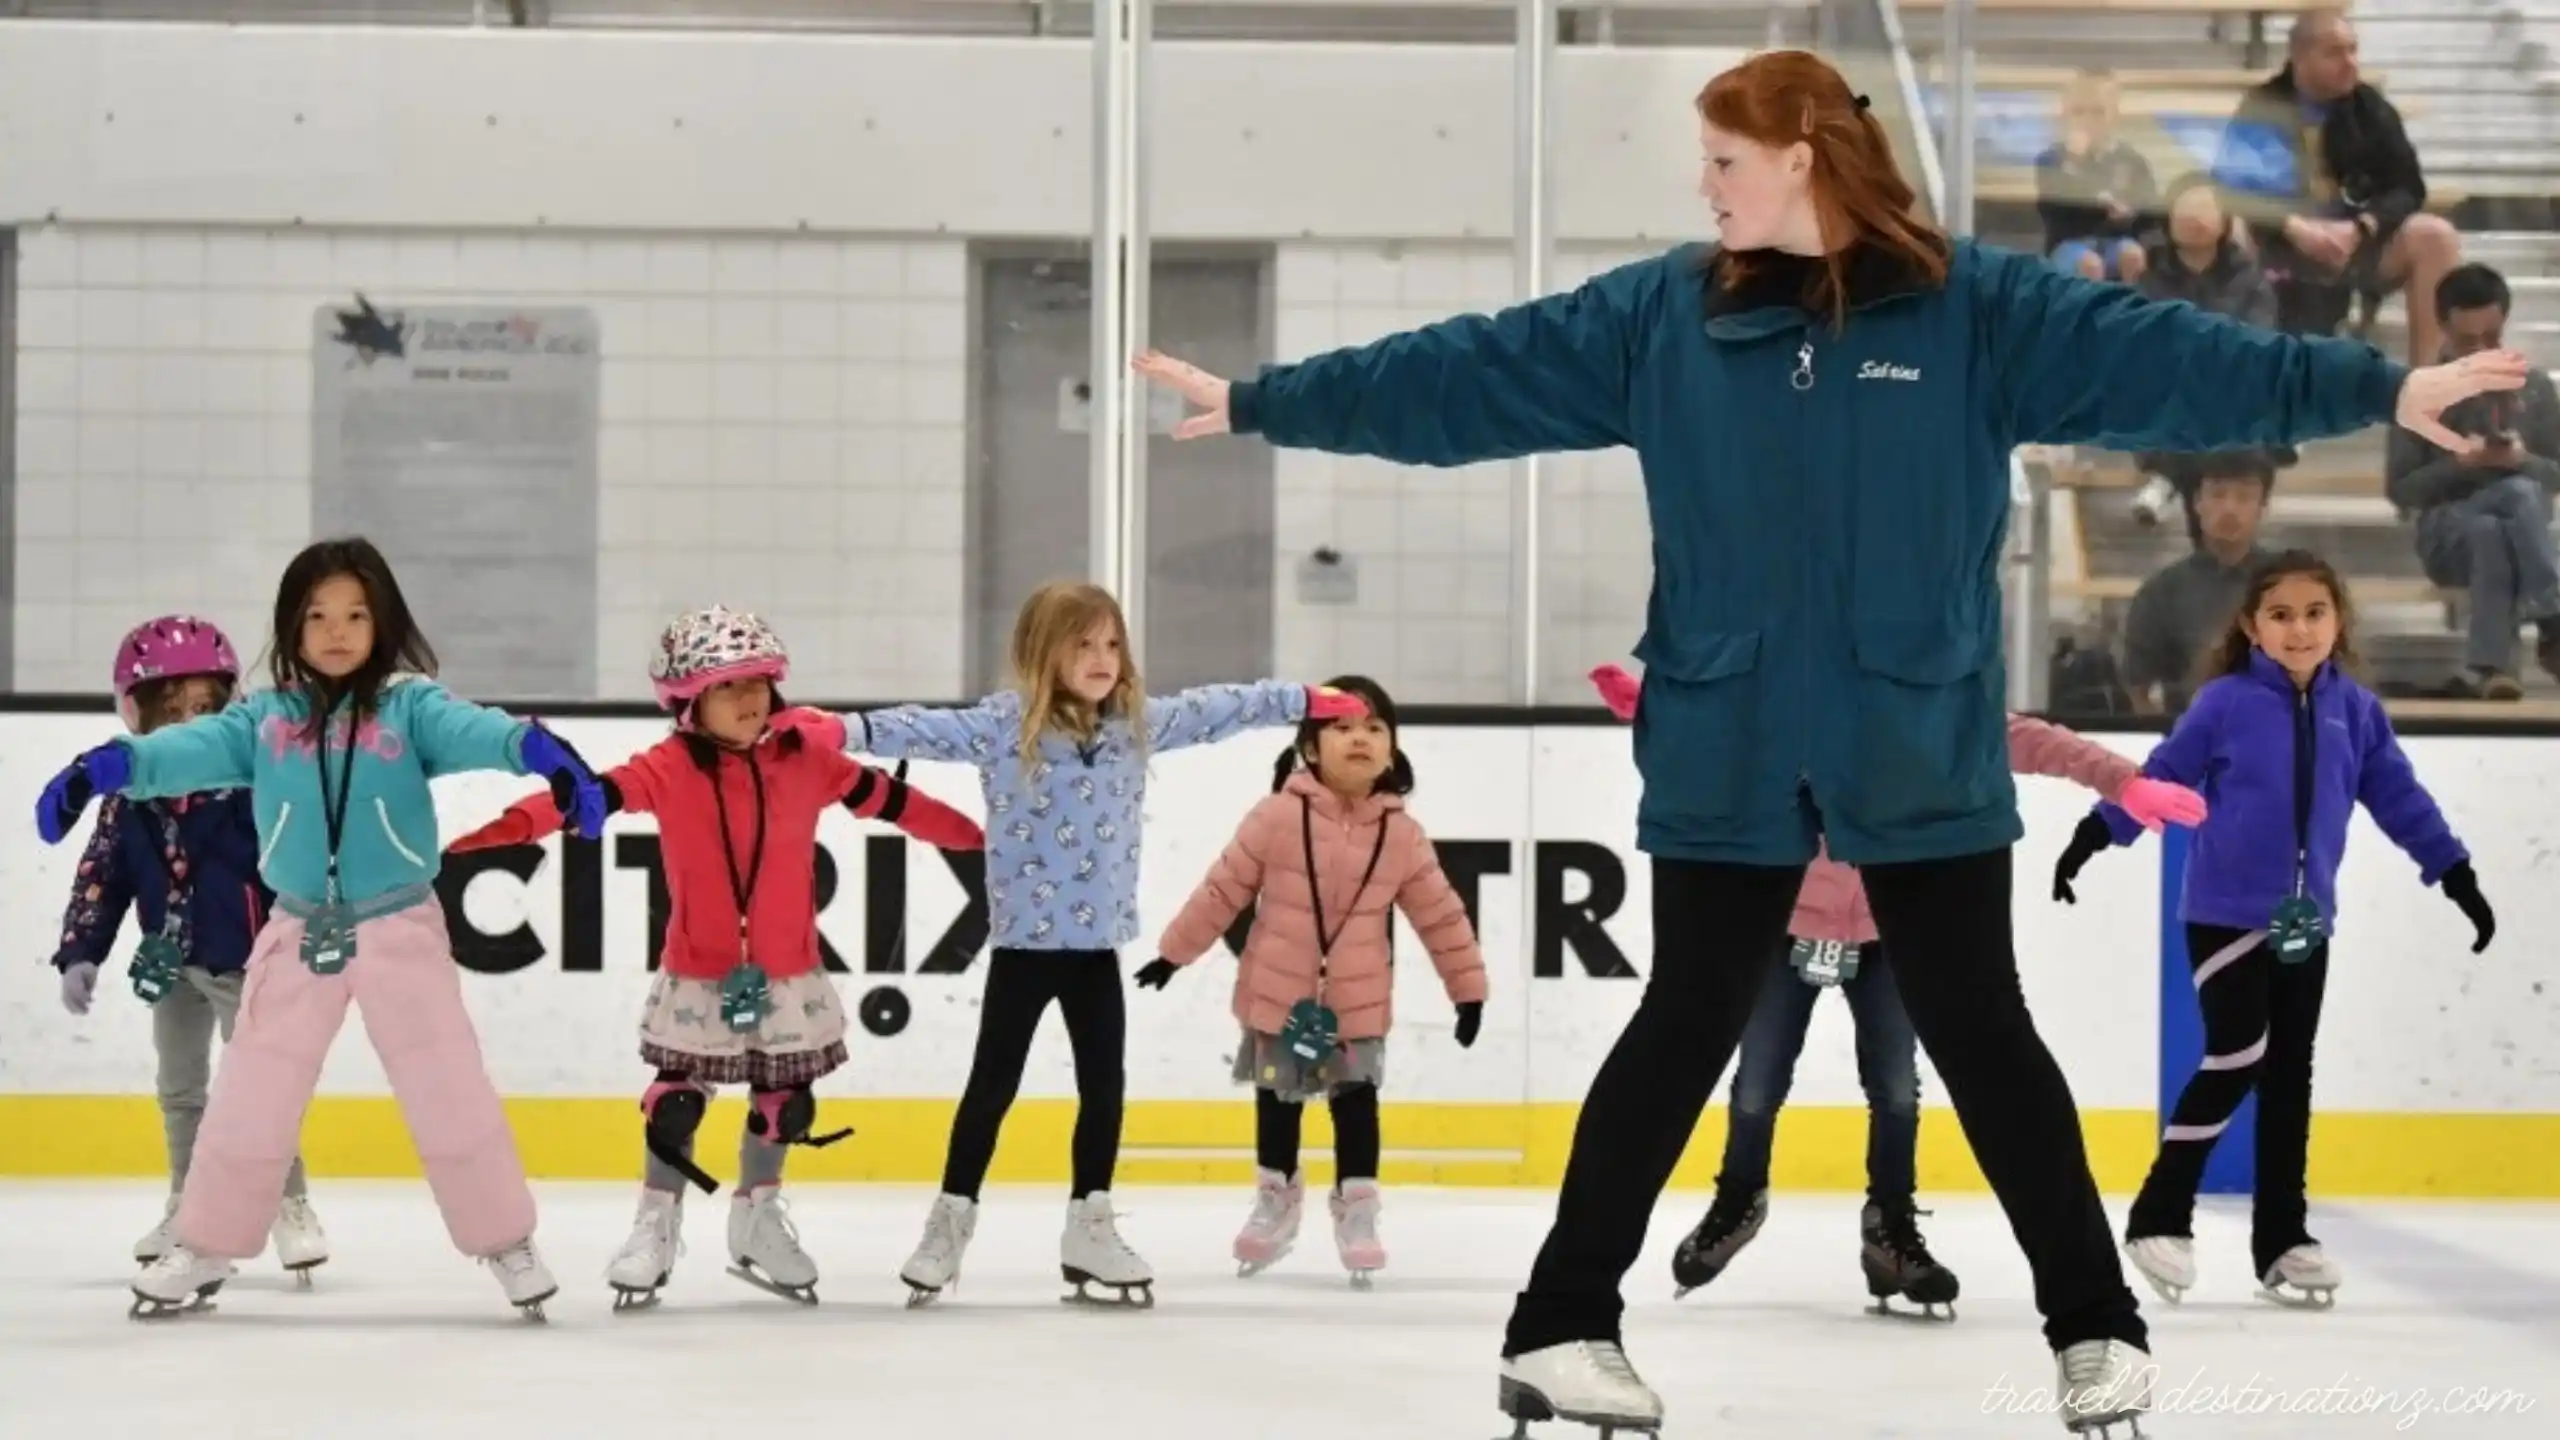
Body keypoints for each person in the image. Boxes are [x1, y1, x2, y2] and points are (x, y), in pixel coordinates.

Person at [1129, 47, 2524, 1438]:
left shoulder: (1976, 310)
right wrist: (1267, 402)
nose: (1705, 186)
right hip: (1729, 735)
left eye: (1725, 163)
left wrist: (2366, 389)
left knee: (1984, 1031)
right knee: (1685, 1023)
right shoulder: (1663, 317)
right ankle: (1559, 1329)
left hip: (1914, 732)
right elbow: (1465, 377)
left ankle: (2096, 1328)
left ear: (1801, 156)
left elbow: (2173, 359)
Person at [32, 537, 609, 1321]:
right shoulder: (266, 720)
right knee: (249, 1095)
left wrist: (538, 751)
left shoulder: (411, 708)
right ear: (291, 626)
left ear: (383, 622)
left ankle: (505, 1239)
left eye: (355, 614)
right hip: (297, 928)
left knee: (449, 1089)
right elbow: (187, 749)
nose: (336, 631)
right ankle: (205, 1242)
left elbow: (480, 731)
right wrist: (110, 766)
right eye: (317, 616)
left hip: (398, 922)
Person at [1585, 666, 2209, 1320]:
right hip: (1786, 927)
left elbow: (2034, 740)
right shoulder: (1790, 712)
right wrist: (1655, 709)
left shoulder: (1932, 715)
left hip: (1892, 932)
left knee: (1896, 1088)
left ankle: (1890, 1227)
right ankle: (1739, 1198)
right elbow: (1719, 733)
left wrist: (2122, 779)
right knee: (1757, 1082)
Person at [810, 580, 1366, 1308]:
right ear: (1046, 651)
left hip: (1096, 950)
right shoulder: (1005, 727)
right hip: (1023, 951)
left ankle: (1090, 1222)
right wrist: (844, 731)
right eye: (1083, 644)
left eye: (1111, 643)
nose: (1103, 658)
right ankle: (949, 1221)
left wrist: (1299, 701)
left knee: (1103, 1091)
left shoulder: (1135, 725)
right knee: (991, 1089)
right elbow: (923, 729)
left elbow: (1220, 709)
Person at [443, 606, 985, 1309]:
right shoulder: (667, 767)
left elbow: (896, 803)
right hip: (700, 970)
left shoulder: (809, 758)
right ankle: (655, 1225)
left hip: (787, 971)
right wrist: (492, 835)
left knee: (783, 1103)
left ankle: (757, 1218)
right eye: (730, 686)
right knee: (674, 1104)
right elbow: (583, 802)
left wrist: (981, 843)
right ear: (688, 701)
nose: (751, 698)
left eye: (760, 682)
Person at [2053, 551, 2491, 1308]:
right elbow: (2161, 775)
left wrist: (2453, 871)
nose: (2299, 628)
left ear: (2338, 622)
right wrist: (2096, 836)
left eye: (2314, 613)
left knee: (2290, 1076)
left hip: (2305, 923)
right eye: (2281, 614)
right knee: (2238, 1052)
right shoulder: (2224, 703)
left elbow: (2400, 799)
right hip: (2225, 915)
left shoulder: (2355, 711)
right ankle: (2161, 1212)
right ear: (2253, 626)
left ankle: (2282, 1239)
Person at [1136, 674, 1487, 1288]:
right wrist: (1173, 954)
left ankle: (1358, 1210)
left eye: (1375, 729)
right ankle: (1276, 1199)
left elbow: (1442, 915)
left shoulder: (1401, 835)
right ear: (1309, 747)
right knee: (1277, 1101)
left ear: (1393, 749)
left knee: (1356, 1104)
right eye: (1342, 727)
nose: (1360, 739)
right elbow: (1224, 889)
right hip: (1279, 995)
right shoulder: (1276, 816)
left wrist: (1468, 990)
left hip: (1356, 999)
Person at [51, 615, 324, 1278]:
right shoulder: (128, 795)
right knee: (180, 1087)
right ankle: (186, 1201)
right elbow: (102, 872)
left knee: (260, 1089)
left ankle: (289, 1203)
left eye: (202, 708)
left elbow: (298, 856)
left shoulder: (255, 785)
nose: (186, 725)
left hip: (244, 961)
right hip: (169, 964)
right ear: (135, 713)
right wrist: (79, 950)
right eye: (167, 709)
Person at [2217, 8, 2462, 362]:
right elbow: (2232, 185)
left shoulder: (2370, 108)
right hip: (2281, 242)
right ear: (2300, 57)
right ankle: (2240, 377)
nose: (2350, 62)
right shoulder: (2262, 105)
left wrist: (2363, 226)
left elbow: (2408, 187)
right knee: (2232, 233)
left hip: (2357, 243)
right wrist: (2293, 227)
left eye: (2353, 50)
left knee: (2436, 236)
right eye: (2335, 53)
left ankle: (2424, 391)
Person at [2384, 261, 2560, 699]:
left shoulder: (2535, 388)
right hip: (2447, 532)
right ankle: (2553, 615)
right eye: (2468, 342)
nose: (2482, 350)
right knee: (2513, 497)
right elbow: (2401, 489)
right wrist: (2461, 463)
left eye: (2492, 338)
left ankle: (2492, 670)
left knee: (2495, 526)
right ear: (2442, 326)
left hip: (2517, 533)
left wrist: (2521, 459)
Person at [2129, 176, 2284, 537]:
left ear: (2224, 220)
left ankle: (2167, 479)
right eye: (2184, 210)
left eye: (2204, 209)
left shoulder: (2250, 279)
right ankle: (2172, 479)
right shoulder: (2150, 278)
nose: (2193, 219)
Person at [2036, 68, 2160, 284]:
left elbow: (2151, 211)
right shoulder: (2051, 160)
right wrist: (2074, 163)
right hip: (2069, 243)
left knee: (2133, 256)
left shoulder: (2131, 160)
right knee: (2090, 265)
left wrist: (2131, 213)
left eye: (2098, 112)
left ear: (2115, 115)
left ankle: (2131, 309)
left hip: (2117, 240)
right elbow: (2051, 211)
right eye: (2079, 112)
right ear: (2066, 115)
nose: (2088, 120)